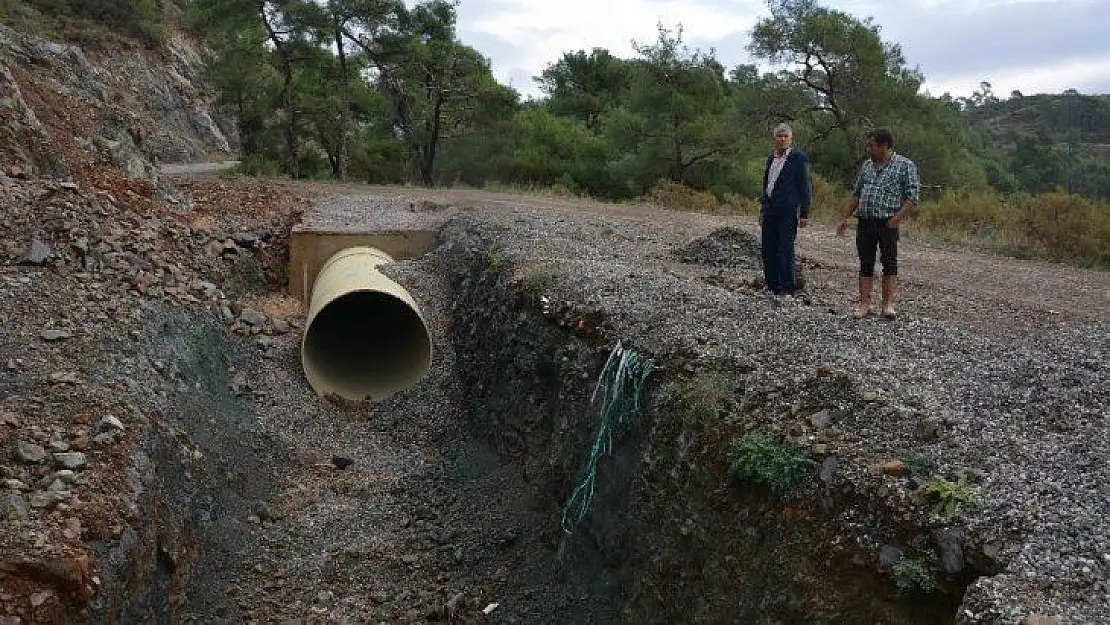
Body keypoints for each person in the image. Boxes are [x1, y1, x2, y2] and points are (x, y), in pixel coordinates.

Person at [835, 127, 920, 319]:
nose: (869, 150)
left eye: (872, 146)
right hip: (865, 221)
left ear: (884, 146)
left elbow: (913, 196)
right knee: (865, 263)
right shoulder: (867, 166)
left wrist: (897, 219)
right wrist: (844, 218)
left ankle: (887, 305)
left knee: (889, 263)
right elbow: (857, 194)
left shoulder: (905, 165)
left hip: (887, 223)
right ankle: (865, 304)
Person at [760, 123, 811, 296]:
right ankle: (772, 284)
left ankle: (787, 286)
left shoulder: (798, 158)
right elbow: (767, 184)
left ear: (790, 138)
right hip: (770, 209)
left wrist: (804, 212)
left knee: (785, 247)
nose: (782, 139)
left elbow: (805, 186)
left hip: (787, 211)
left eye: (785, 136)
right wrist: (762, 209)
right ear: (774, 139)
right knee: (768, 248)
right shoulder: (771, 159)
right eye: (779, 136)